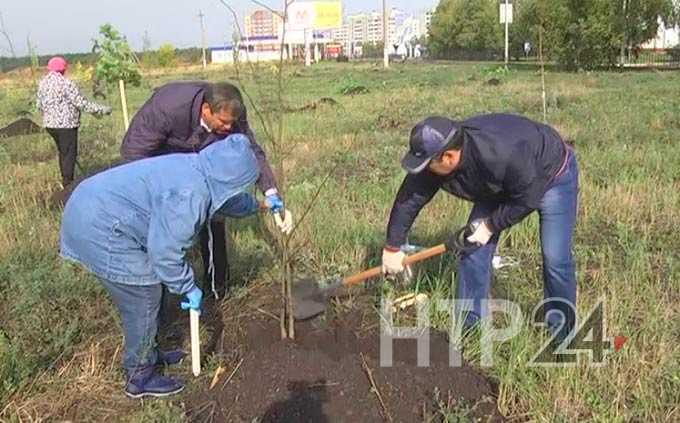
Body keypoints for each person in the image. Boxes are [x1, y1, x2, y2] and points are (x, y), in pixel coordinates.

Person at [60, 135, 265, 398]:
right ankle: (139, 376)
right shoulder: (190, 195)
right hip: (98, 225)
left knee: (151, 286)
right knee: (143, 295)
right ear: (232, 177)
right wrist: (188, 287)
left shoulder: (201, 168)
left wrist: (259, 205)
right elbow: (164, 254)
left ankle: (151, 353)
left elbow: (224, 197)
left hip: (95, 204)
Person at [382, 113, 578, 340]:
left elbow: (527, 199)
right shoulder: (438, 156)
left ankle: (563, 336)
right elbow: (410, 197)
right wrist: (392, 246)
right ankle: (470, 329)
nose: (425, 171)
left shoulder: (502, 153)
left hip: (551, 176)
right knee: (472, 250)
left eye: (428, 165)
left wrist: (490, 226)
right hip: (495, 184)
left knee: (555, 258)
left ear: (449, 156)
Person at [119, 81, 292, 298]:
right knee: (158, 232)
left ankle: (217, 289)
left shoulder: (232, 110)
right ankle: (157, 290)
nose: (229, 128)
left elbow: (250, 150)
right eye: (223, 122)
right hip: (160, 159)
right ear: (206, 110)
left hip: (205, 157)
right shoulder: (167, 107)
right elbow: (134, 151)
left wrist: (270, 192)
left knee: (214, 210)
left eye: (232, 123)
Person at [36, 56, 112, 186]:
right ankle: (68, 185)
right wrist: (101, 110)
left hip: (50, 125)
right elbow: (80, 103)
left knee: (63, 152)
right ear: (63, 69)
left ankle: (65, 180)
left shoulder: (42, 84)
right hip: (66, 125)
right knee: (69, 154)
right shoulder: (66, 84)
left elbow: (39, 105)